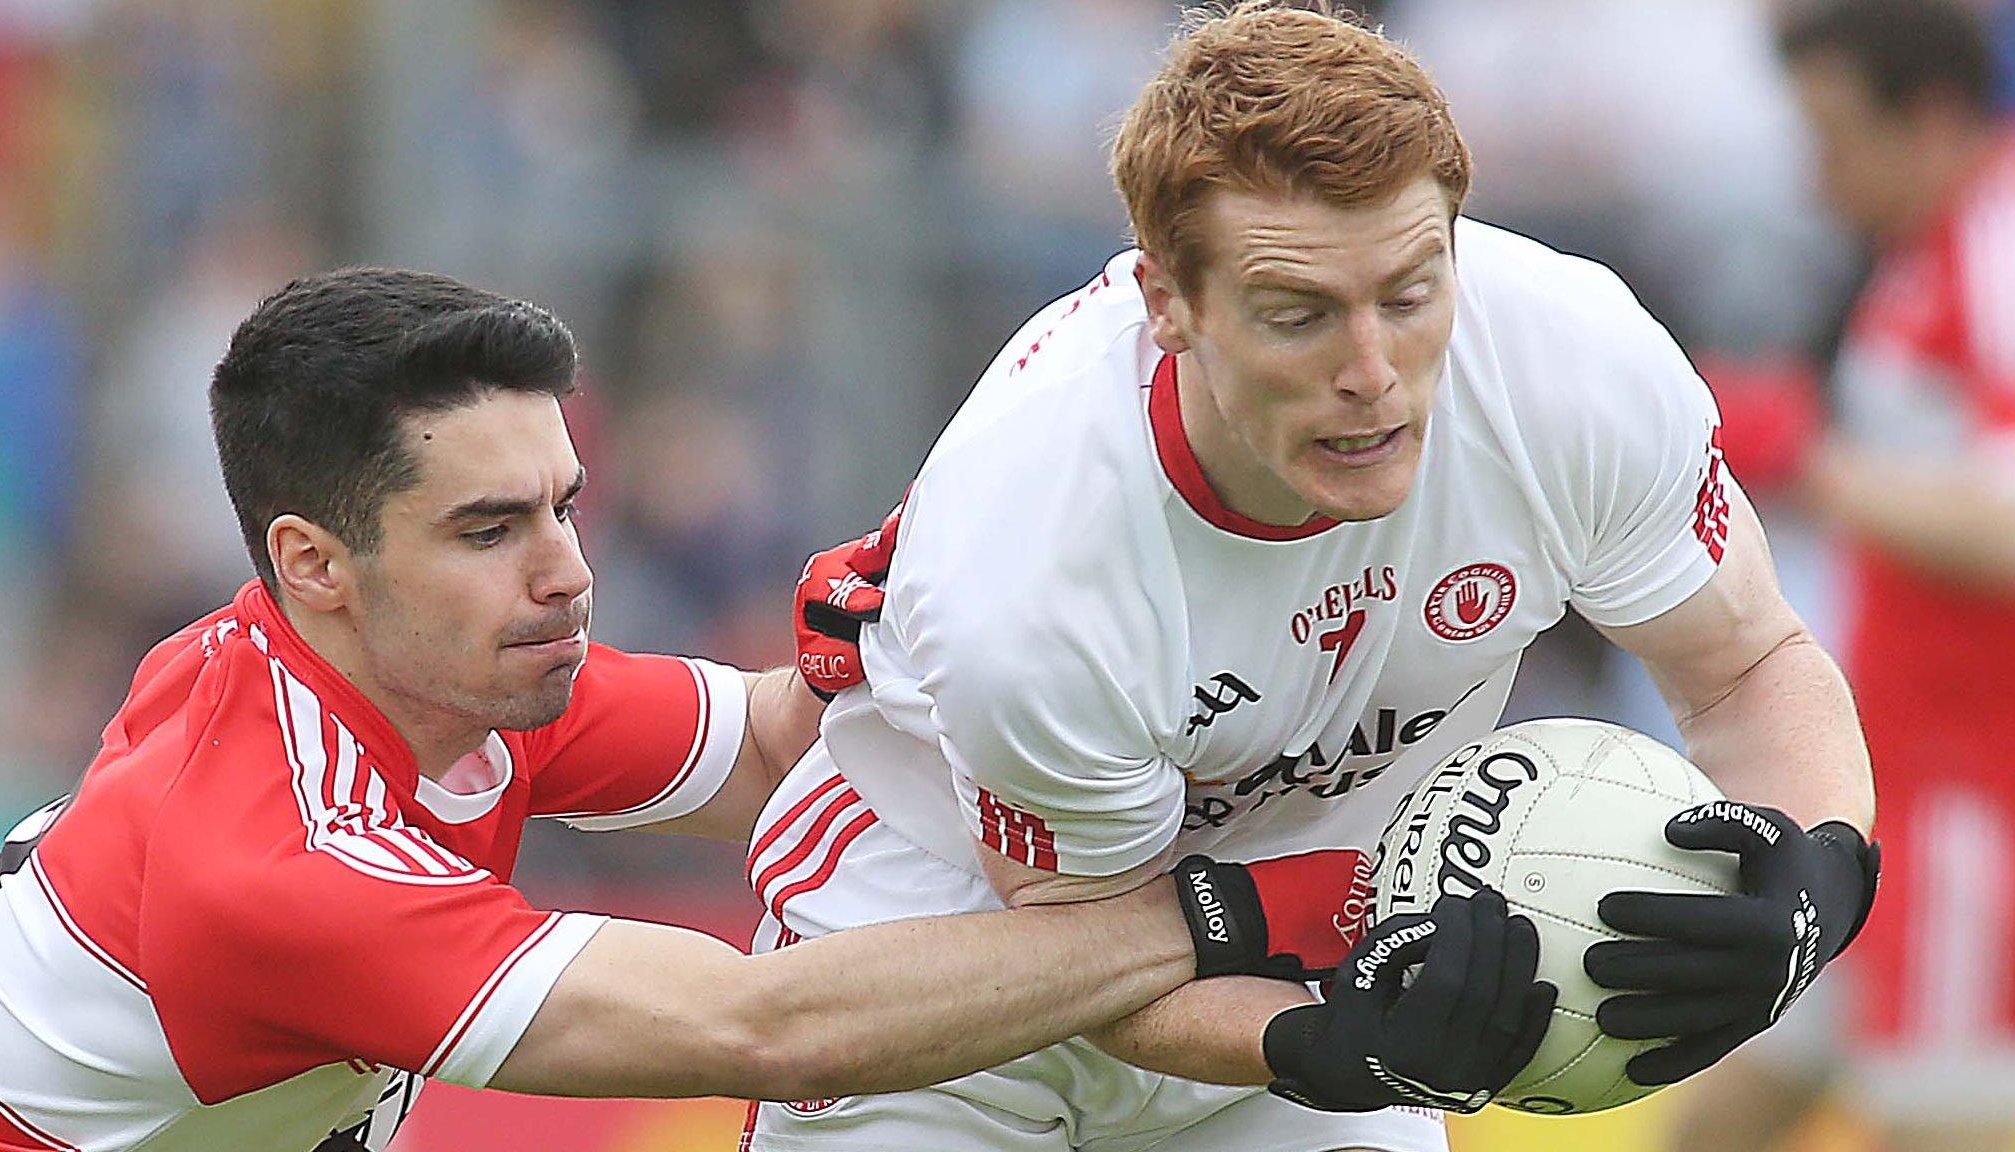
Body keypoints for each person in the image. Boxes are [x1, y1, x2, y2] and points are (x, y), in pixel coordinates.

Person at [739, 4, 1880, 1151]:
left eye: (1409, 293)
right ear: (1166, 303)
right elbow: (1089, 954)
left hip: (1307, 981)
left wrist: (1822, 872)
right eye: (1298, 316)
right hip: (952, 972)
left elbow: (1744, 667)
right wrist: (1317, 1042)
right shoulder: (1033, 564)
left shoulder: (1570, 362)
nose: (1372, 374)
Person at [0, 267, 1440, 1152]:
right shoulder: (273, 864)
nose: (568, 573)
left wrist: (918, 612)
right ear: (314, 564)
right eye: (490, 531)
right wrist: (1220, 915)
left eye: (565, 505)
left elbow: (765, 742)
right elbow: (766, 1029)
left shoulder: (426, 676)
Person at [1670, 4, 2015, 1152]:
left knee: (1939, 1127)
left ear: (1925, 118)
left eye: (1828, 139)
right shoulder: (1928, 249)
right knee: (1710, 1112)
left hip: (1972, 808)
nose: (1813, 179)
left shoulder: (1996, 243)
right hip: (1878, 788)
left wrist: (1804, 452)